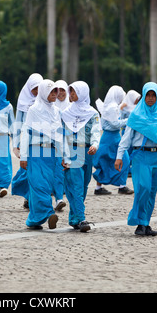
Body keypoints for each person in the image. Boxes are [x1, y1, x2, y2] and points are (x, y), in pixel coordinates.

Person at [115, 82, 157, 236]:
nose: (150, 98)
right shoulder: (136, 115)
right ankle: (139, 221)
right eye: (148, 95)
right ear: (144, 95)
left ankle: (145, 224)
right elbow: (126, 138)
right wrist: (119, 156)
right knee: (143, 189)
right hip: (141, 156)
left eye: (154, 95)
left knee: (152, 192)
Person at [20, 79, 70, 230]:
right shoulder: (33, 110)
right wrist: (23, 156)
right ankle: (49, 213)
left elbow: (60, 136)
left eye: (56, 91)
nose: (55, 94)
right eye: (52, 91)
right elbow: (26, 133)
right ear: (43, 92)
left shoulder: (56, 111)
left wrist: (64, 156)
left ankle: (34, 220)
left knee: (46, 185)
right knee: (38, 184)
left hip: (52, 154)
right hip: (35, 152)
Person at [61, 81, 100, 232]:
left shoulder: (92, 113)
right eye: (70, 91)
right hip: (72, 151)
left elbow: (96, 130)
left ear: (83, 93)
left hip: (88, 152)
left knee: (84, 185)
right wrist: (63, 155)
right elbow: (62, 135)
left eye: (74, 92)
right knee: (76, 185)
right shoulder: (65, 113)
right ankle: (82, 218)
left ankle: (74, 218)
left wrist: (95, 145)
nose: (71, 95)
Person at [93, 85, 134, 195]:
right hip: (111, 137)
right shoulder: (111, 107)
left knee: (106, 160)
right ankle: (120, 186)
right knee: (120, 160)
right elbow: (115, 124)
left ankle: (118, 185)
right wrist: (129, 120)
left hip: (112, 137)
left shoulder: (111, 106)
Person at [12, 73, 43, 208]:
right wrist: (15, 144)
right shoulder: (23, 102)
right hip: (26, 143)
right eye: (34, 88)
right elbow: (18, 124)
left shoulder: (45, 101)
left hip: (42, 143)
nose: (36, 92)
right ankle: (28, 197)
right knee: (27, 171)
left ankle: (35, 198)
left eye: (38, 88)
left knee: (39, 173)